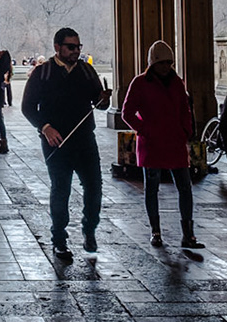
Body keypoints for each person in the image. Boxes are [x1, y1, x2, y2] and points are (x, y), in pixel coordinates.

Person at [21, 26, 112, 260]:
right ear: (57, 47)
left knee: (94, 187)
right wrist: (45, 127)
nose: (76, 51)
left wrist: (103, 100)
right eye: (71, 47)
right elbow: (28, 107)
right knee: (61, 190)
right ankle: (59, 239)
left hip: (84, 140)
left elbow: (98, 104)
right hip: (56, 142)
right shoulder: (43, 73)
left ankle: (89, 229)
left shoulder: (87, 71)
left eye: (78, 47)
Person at [122, 40, 198, 249]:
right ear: (152, 63)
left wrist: (186, 130)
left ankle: (188, 234)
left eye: (169, 62)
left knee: (185, 187)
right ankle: (155, 231)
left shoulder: (177, 82)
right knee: (151, 188)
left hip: (174, 141)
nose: (166, 67)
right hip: (152, 142)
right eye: (162, 63)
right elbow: (127, 112)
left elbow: (185, 109)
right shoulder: (140, 83)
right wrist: (145, 130)